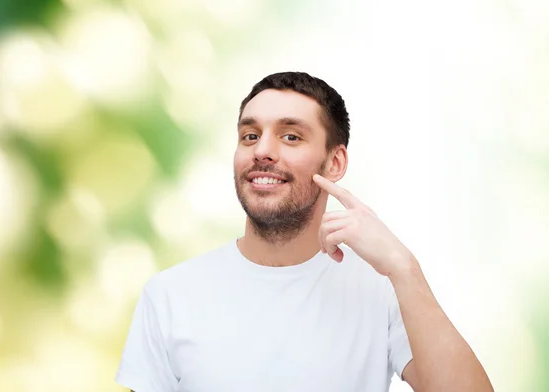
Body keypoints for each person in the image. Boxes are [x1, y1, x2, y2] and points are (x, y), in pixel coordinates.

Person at [115, 72, 494, 392]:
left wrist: (403, 266)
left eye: (290, 136)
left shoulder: (384, 292)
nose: (262, 150)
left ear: (334, 162)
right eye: (250, 136)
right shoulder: (169, 296)